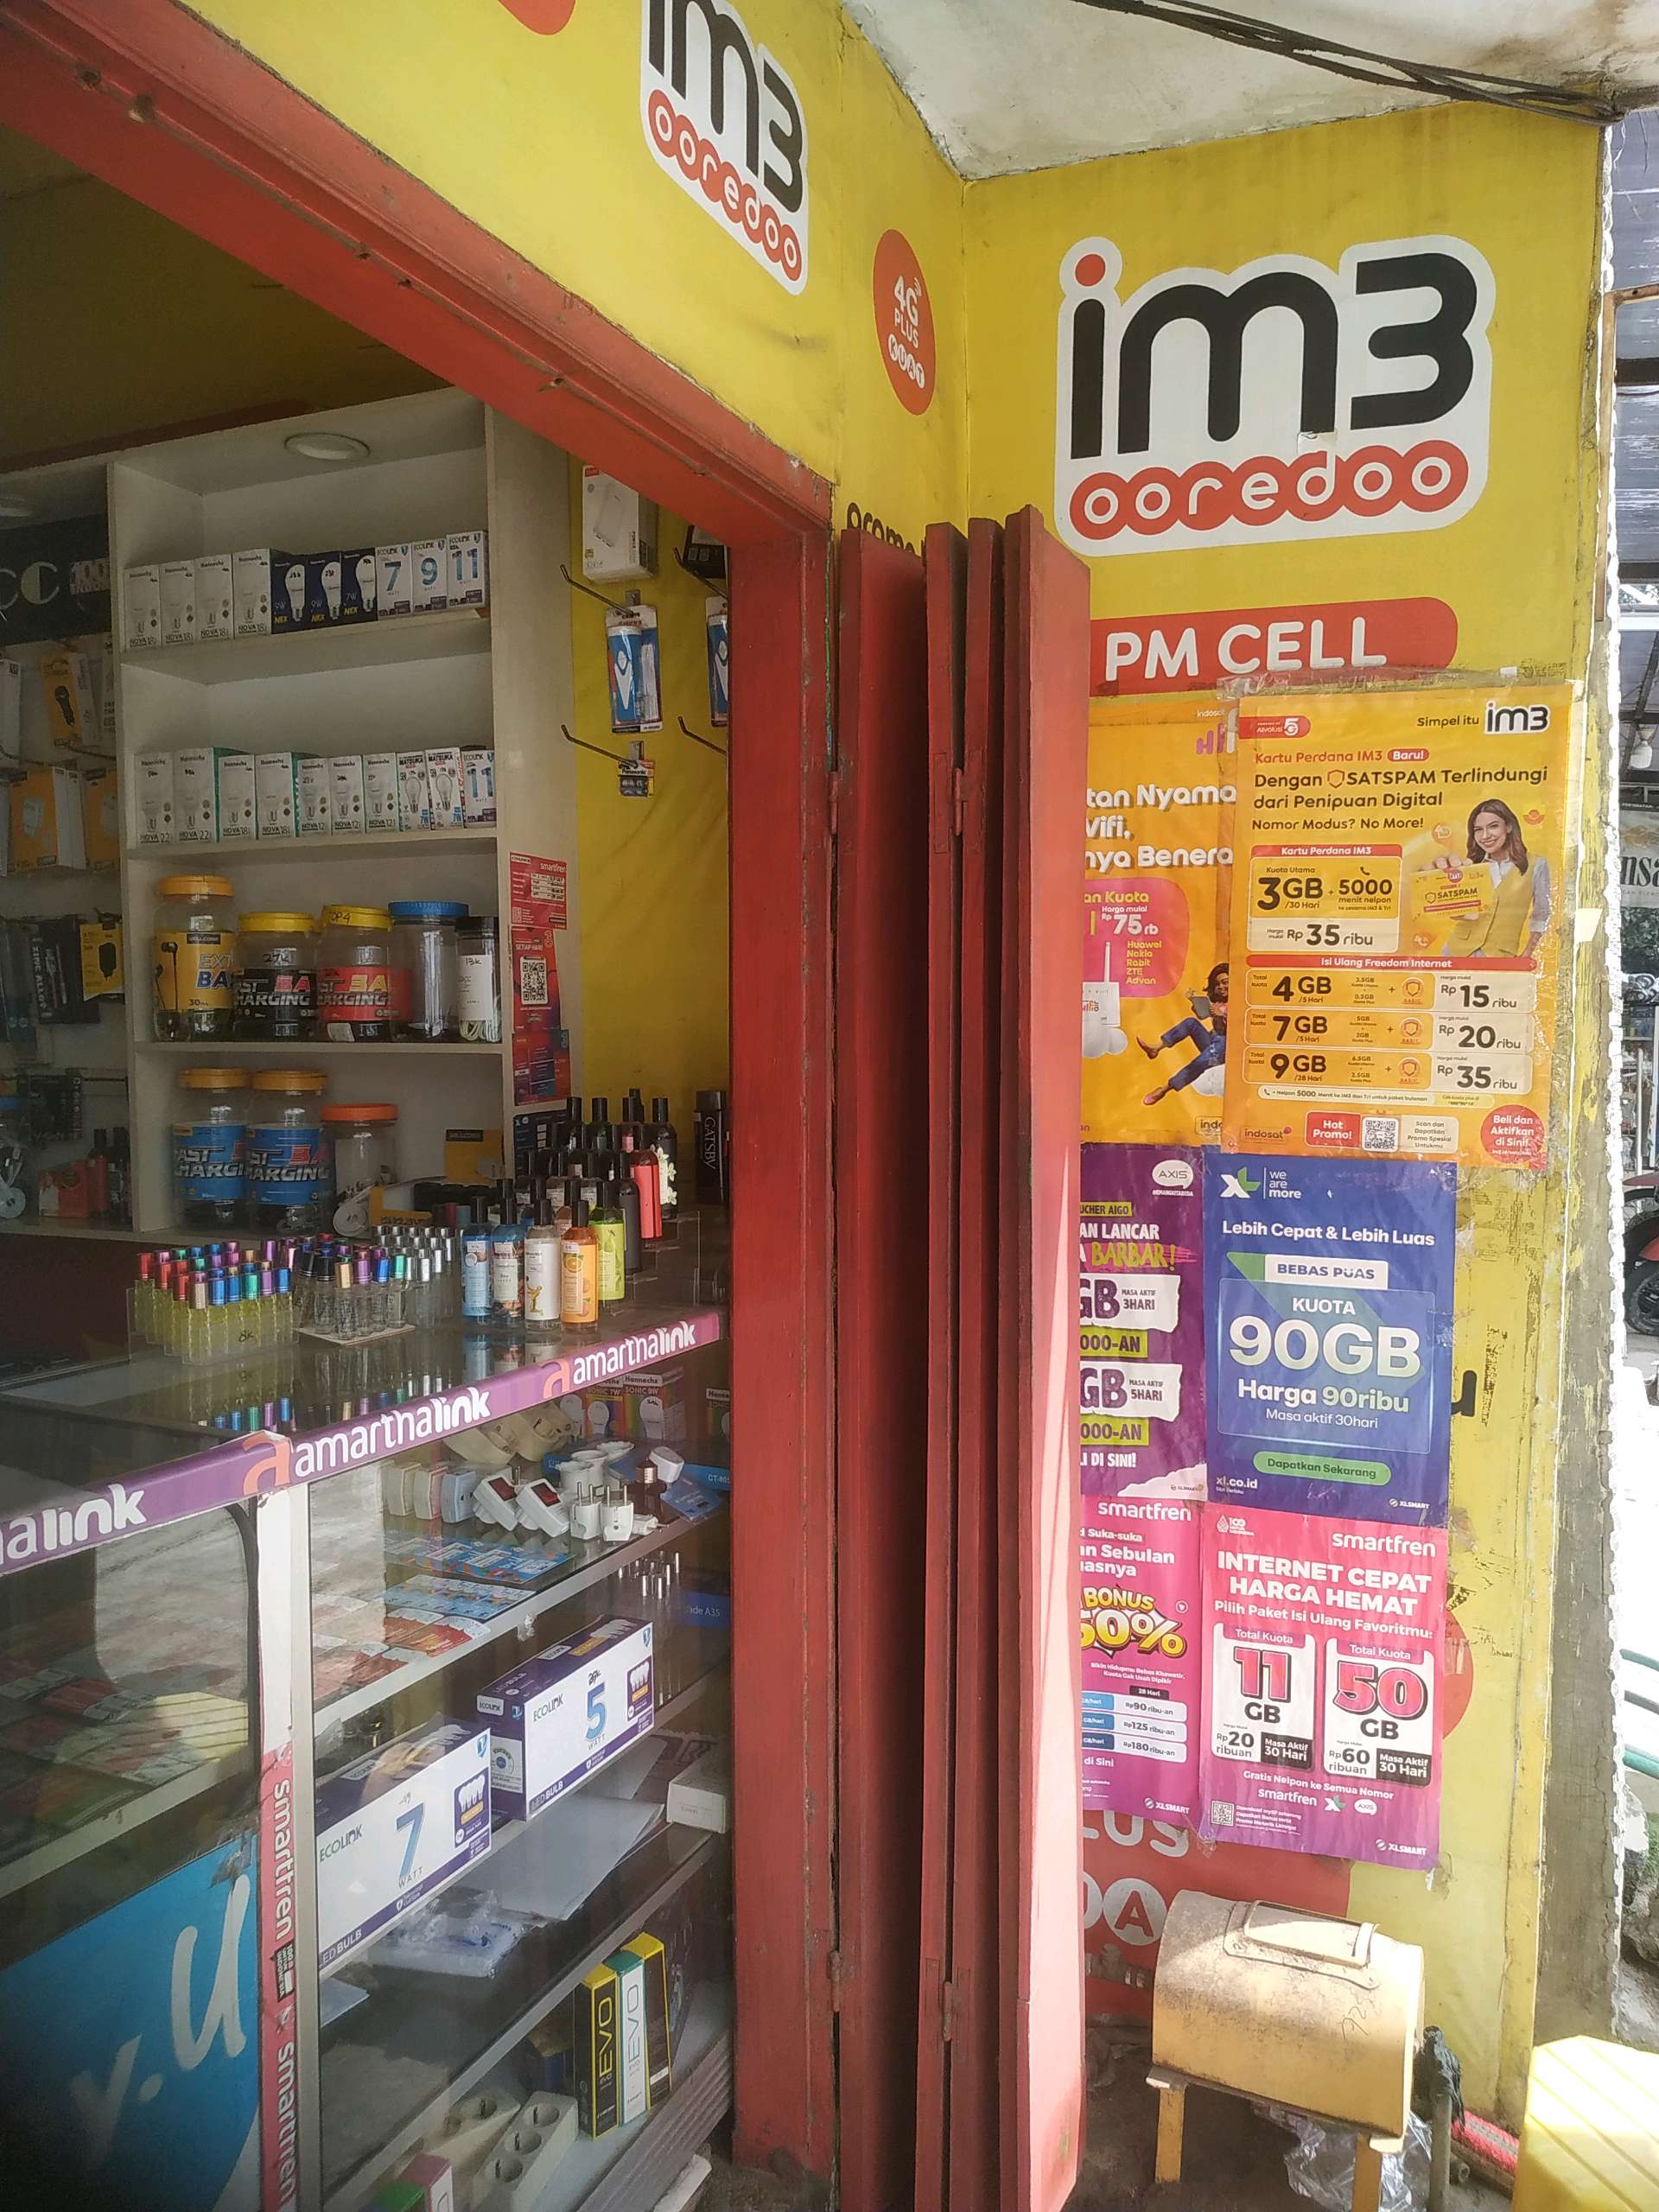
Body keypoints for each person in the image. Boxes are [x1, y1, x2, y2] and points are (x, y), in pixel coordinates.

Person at [1439, 798, 1551, 960]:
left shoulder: (1536, 864)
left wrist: (1527, 953)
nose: (1485, 836)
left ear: (1509, 826)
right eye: (1478, 829)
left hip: (1500, 955)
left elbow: (1542, 913)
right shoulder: (1471, 865)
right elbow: (1455, 910)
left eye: (1493, 826)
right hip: (1456, 951)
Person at [1140, 962, 1228, 1104]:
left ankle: (1166, 1088)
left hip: (1224, 1050)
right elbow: (1202, 1016)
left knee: (1199, 1062)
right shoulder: (1219, 1003)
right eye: (1217, 984)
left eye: (1225, 982)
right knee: (1190, 1022)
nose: (1221, 987)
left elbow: (1232, 1030)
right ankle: (1156, 1048)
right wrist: (1194, 1001)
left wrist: (1220, 1016)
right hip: (1213, 1040)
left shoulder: (1239, 1003)